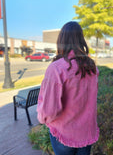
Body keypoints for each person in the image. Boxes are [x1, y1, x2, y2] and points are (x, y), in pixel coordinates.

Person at [37, 21, 99, 155]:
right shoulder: (92, 68)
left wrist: (42, 118)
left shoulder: (57, 68)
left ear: (61, 40)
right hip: (87, 131)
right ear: (81, 40)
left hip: (65, 132)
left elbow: (49, 110)